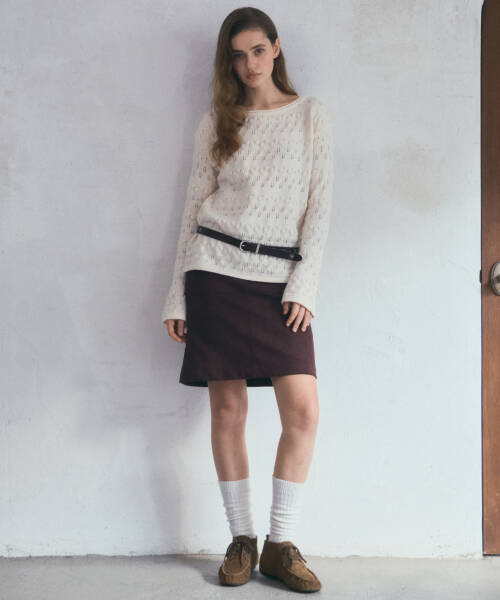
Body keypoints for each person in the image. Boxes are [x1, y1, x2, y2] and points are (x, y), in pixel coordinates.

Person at [161, 7, 333, 593]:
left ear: (276, 48)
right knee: (229, 412)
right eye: (238, 56)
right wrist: (176, 295)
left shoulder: (310, 116)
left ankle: (281, 546)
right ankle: (242, 540)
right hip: (215, 271)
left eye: (258, 50)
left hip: (280, 281)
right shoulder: (218, 119)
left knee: (303, 411)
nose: (249, 64)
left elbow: (319, 209)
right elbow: (193, 208)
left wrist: (303, 286)